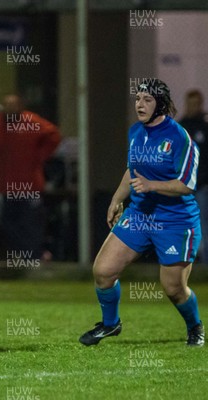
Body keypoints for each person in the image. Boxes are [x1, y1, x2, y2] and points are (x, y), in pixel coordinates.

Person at [79, 79, 204, 347]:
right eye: (137, 99)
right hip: (140, 215)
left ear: (160, 104)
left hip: (175, 219)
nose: (140, 104)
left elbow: (187, 185)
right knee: (103, 271)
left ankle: (195, 327)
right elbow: (131, 170)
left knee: (173, 288)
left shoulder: (179, 137)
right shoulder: (136, 131)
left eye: (147, 99)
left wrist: (151, 185)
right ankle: (111, 324)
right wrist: (116, 199)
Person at [0, 94, 61, 260]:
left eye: (13, 105)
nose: (9, 109)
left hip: (29, 184)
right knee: (9, 223)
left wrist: (40, 156)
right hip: (7, 185)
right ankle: (23, 256)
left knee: (30, 223)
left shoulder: (31, 121)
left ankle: (34, 256)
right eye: (7, 105)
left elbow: (53, 135)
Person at [178, 89, 208, 260]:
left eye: (197, 103)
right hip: (183, 187)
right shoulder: (180, 127)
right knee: (183, 225)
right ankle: (183, 265)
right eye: (191, 103)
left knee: (203, 225)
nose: (194, 107)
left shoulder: (205, 126)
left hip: (202, 186)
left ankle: (205, 267)